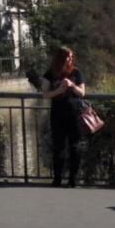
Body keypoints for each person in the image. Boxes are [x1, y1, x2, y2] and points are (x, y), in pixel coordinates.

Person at [40, 46, 85, 187]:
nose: (70, 59)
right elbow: (45, 94)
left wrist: (72, 85)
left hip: (74, 113)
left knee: (75, 146)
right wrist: (59, 90)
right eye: (68, 56)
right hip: (58, 114)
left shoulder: (76, 72)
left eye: (72, 56)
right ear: (61, 58)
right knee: (58, 147)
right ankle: (57, 178)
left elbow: (82, 93)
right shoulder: (50, 74)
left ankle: (73, 179)